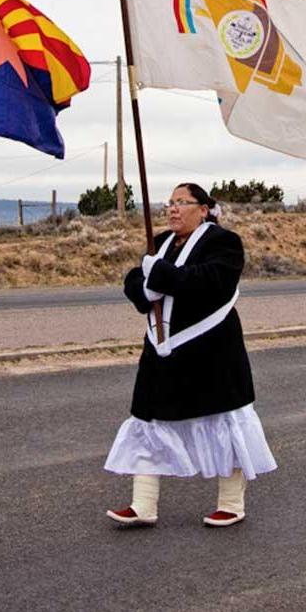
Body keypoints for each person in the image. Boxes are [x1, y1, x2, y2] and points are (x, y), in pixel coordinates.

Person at [104, 183, 276, 527]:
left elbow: (211, 281)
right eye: (170, 203)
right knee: (149, 421)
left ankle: (231, 503)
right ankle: (143, 505)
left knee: (224, 423)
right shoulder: (162, 244)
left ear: (203, 209)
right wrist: (145, 286)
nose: (173, 209)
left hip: (212, 352)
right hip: (163, 352)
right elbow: (135, 280)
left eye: (182, 202)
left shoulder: (224, 243)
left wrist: (161, 275)